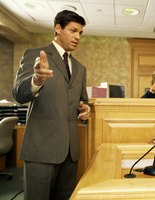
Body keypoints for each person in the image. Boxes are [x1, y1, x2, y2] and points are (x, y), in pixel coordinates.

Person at [12, 10, 90, 200]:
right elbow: (18, 94)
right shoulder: (35, 55)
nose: (77, 37)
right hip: (42, 149)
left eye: (80, 32)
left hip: (71, 153)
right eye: (73, 31)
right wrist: (37, 79)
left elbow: (82, 100)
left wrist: (85, 110)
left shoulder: (80, 68)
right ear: (58, 28)